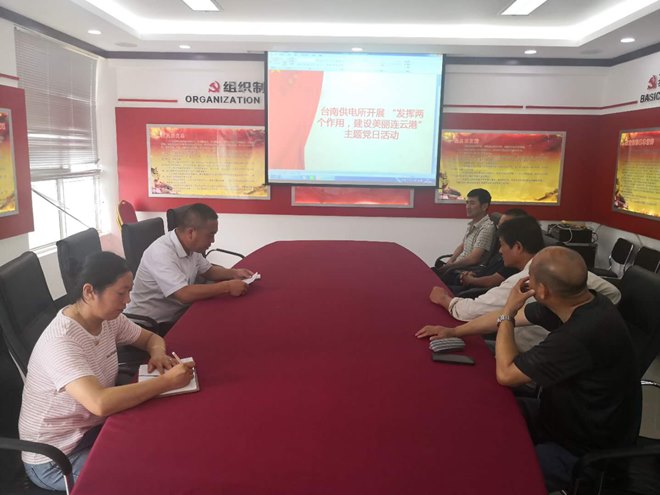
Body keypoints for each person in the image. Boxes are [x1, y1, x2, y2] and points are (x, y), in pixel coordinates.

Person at [19, 252, 195, 491]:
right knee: (149, 475)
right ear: (89, 292)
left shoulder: (109, 319)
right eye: (121, 293)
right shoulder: (61, 341)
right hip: (56, 459)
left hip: (91, 429)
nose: (128, 300)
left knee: (163, 437)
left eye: (129, 291)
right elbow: (100, 403)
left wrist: (157, 354)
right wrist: (167, 382)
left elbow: (151, 339)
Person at [494, 247, 640, 492]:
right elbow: (512, 318)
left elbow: (506, 374)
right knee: (493, 412)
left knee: (498, 472)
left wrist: (508, 312)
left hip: (582, 451)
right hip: (558, 416)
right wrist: (453, 331)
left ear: (541, 291)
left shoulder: (580, 334)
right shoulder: (588, 303)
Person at [417, 216, 621, 351]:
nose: (499, 251)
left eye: (502, 245)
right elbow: (614, 293)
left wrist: (444, 299)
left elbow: (469, 312)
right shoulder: (565, 276)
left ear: (517, 247)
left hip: (525, 356)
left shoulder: (525, 282)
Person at [125, 203, 253, 329]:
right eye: (210, 235)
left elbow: (209, 271)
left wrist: (234, 273)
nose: (213, 240)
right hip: (150, 325)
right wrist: (227, 286)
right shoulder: (161, 253)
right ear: (191, 232)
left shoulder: (191, 246)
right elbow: (184, 294)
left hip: (178, 314)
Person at [447, 208, 528, 296]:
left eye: (504, 226)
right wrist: (472, 274)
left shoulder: (515, 255)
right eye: (499, 226)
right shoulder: (503, 245)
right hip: (475, 279)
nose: (500, 251)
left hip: (477, 293)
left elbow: (493, 280)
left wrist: (471, 280)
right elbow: (487, 268)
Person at [433, 188, 496, 285]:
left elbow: (473, 259)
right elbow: (462, 246)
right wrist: (451, 260)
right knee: (430, 272)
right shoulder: (473, 223)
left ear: (484, 206)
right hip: (456, 267)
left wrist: (451, 266)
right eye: (467, 203)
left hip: (465, 271)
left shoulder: (487, 228)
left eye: (472, 203)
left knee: (432, 276)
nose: (467, 207)